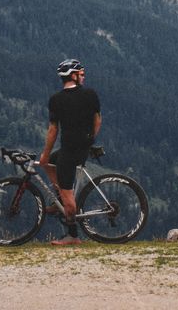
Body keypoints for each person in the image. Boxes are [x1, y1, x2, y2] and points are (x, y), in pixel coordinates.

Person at [39, 58, 101, 245]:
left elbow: (53, 130)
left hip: (70, 150)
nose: (83, 77)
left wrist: (44, 152)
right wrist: (90, 140)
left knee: (66, 193)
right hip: (79, 148)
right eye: (81, 74)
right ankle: (61, 199)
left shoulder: (56, 100)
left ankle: (72, 235)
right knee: (51, 162)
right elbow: (97, 120)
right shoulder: (90, 94)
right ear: (73, 75)